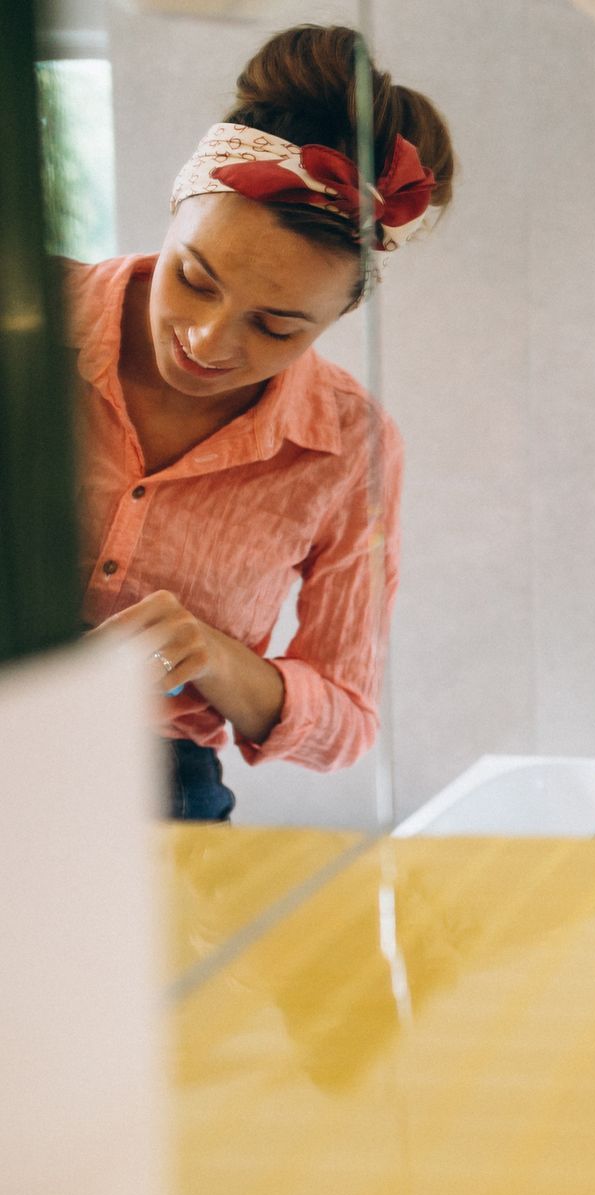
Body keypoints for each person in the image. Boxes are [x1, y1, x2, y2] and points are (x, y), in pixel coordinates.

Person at [72, 25, 455, 820]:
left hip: (157, 789)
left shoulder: (353, 447)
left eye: (276, 327)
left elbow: (347, 721)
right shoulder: (26, 322)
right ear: (177, 207)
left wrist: (214, 657)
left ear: (338, 315)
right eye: (194, 278)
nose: (208, 341)